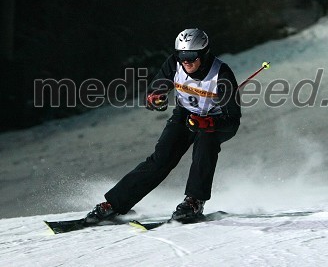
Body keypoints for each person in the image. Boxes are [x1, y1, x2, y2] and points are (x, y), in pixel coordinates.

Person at [85, 28, 241, 223]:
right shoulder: (174, 64)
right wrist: (155, 99)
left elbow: (233, 120)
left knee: (205, 145)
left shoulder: (222, 75)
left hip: (215, 121)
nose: (186, 60)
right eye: (181, 54)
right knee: (161, 159)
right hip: (185, 114)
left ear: (204, 53)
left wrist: (209, 122)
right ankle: (114, 204)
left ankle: (194, 201)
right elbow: (156, 89)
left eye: (191, 55)